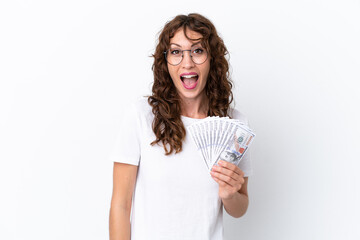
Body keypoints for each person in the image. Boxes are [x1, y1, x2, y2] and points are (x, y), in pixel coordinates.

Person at [108, 13, 253, 240]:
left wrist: (229, 194)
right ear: (165, 62)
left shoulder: (234, 125)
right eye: (176, 52)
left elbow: (240, 207)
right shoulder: (141, 116)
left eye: (198, 50)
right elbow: (120, 205)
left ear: (212, 58)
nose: (187, 62)